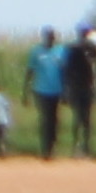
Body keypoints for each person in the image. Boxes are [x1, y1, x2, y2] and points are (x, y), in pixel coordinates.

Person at [27, 27, 70, 159]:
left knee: (54, 120)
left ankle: (53, 145)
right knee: (45, 119)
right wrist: (26, 91)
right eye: (48, 36)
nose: (50, 38)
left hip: (57, 90)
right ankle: (45, 149)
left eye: (52, 36)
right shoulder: (36, 51)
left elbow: (65, 72)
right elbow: (30, 71)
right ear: (43, 37)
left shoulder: (61, 51)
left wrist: (66, 91)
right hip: (41, 90)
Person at [59, 23, 96, 158]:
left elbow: (94, 67)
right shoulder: (73, 48)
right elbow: (66, 68)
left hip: (85, 86)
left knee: (85, 118)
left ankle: (85, 147)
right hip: (77, 86)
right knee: (79, 117)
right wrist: (66, 87)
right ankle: (77, 146)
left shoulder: (91, 48)